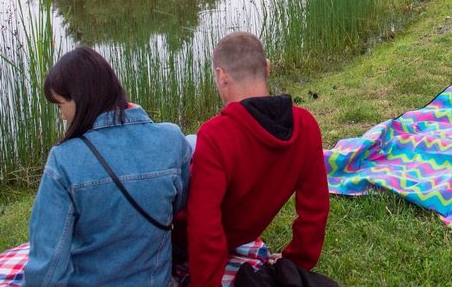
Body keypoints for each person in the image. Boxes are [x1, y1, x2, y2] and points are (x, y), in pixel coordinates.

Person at [26, 47, 191, 286]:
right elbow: (179, 204)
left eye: (60, 104)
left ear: (80, 98)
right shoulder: (172, 139)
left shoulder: (64, 160)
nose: (62, 115)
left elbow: (48, 263)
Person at [187, 32, 329, 287]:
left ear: (221, 75)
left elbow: (203, 230)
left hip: (178, 242)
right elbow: (315, 209)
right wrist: (296, 262)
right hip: (240, 237)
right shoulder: (306, 125)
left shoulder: (215, 135)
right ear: (267, 67)